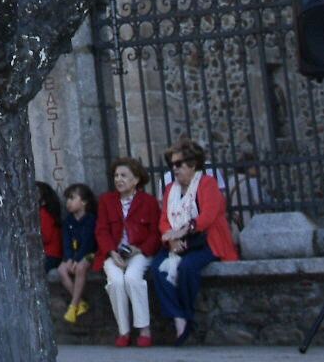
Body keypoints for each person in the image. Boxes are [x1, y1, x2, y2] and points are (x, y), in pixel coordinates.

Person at [154, 139, 237, 343]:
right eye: (172, 164)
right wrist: (171, 241)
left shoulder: (208, 184)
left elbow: (209, 215)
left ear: (192, 165)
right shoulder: (169, 190)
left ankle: (187, 313)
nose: (174, 169)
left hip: (205, 240)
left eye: (179, 164)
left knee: (188, 268)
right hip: (178, 242)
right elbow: (164, 220)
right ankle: (178, 317)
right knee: (157, 269)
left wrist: (183, 230)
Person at [98, 157, 164, 346]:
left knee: (133, 278)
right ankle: (124, 331)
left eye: (124, 176)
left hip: (139, 252)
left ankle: (144, 330)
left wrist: (139, 249)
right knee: (116, 281)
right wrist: (111, 252)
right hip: (113, 253)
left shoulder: (148, 202)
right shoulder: (106, 201)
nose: (119, 179)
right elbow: (101, 230)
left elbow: (154, 233)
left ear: (136, 180)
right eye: (116, 176)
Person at [56, 183, 101, 325]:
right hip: (74, 255)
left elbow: (88, 243)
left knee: (81, 268)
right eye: (67, 199)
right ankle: (80, 302)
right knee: (61, 269)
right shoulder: (68, 221)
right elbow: (67, 242)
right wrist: (69, 259)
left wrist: (76, 259)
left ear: (84, 202)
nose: (68, 202)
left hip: (89, 254)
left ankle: (73, 306)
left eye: (72, 198)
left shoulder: (90, 220)